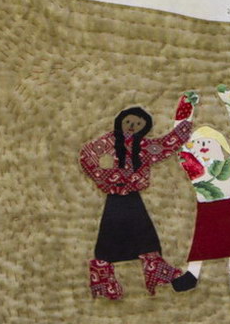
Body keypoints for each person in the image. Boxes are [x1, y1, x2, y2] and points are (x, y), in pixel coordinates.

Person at [80, 92, 198, 300]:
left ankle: (154, 269)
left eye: (137, 124)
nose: (132, 126)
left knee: (143, 229)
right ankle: (103, 279)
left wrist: (184, 127)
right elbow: (86, 156)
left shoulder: (143, 147)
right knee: (110, 231)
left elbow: (165, 144)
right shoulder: (108, 141)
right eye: (128, 122)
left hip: (133, 195)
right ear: (120, 121)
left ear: (144, 127)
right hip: (115, 195)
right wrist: (104, 178)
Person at [172, 84, 230, 300]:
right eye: (199, 143)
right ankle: (192, 275)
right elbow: (179, 141)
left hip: (225, 207)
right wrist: (186, 107)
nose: (203, 145)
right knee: (201, 241)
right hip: (205, 208)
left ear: (221, 147)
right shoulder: (193, 167)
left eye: (209, 142)